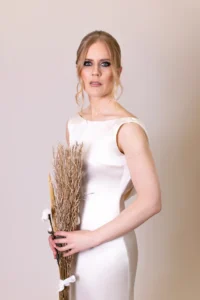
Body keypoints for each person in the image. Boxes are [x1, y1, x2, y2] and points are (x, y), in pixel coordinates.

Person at [48, 30, 162, 300]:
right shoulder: (74, 125)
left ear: (118, 71)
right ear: (79, 71)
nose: (96, 72)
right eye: (88, 63)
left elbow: (152, 201)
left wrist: (91, 238)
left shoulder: (127, 128)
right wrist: (58, 233)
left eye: (105, 63)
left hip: (109, 249)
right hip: (75, 248)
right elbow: (72, 195)